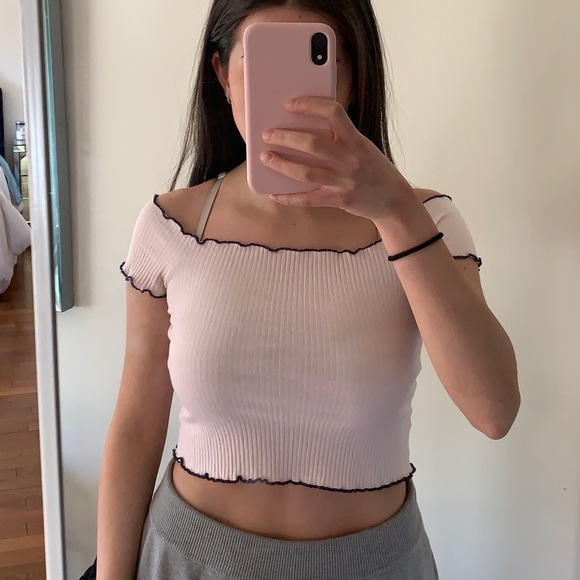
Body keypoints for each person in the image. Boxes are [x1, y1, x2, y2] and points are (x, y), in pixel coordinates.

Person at [96, 1, 521, 578]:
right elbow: (135, 427)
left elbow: (494, 411)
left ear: (353, 77)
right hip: (192, 558)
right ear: (222, 76)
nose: (291, 98)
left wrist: (395, 211)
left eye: (320, 63)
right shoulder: (171, 229)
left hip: (375, 564)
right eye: (263, 65)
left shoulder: (426, 221)